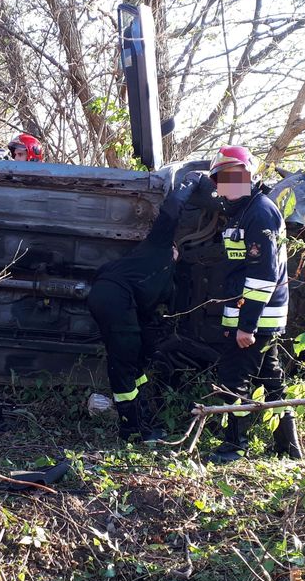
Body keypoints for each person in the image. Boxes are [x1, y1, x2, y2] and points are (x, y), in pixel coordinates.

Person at [87, 171, 213, 442]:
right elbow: (170, 212)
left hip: (125, 302)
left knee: (138, 358)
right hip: (112, 296)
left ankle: (142, 422)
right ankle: (131, 430)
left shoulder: (168, 283)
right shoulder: (159, 245)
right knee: (124, 359)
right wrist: (190, 183)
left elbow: (154, 314)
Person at [205, 145, 302, 463]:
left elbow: (263, 276)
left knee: (235, 378)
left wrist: (247, 324)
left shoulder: (260, 212)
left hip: (257, 316)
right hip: (250, 312)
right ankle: (290, 449)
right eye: (222, 177)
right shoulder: (243, 212)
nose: (227, 183)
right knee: (271, 380)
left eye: (235, 176)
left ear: (248, 176)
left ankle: (234, 446)